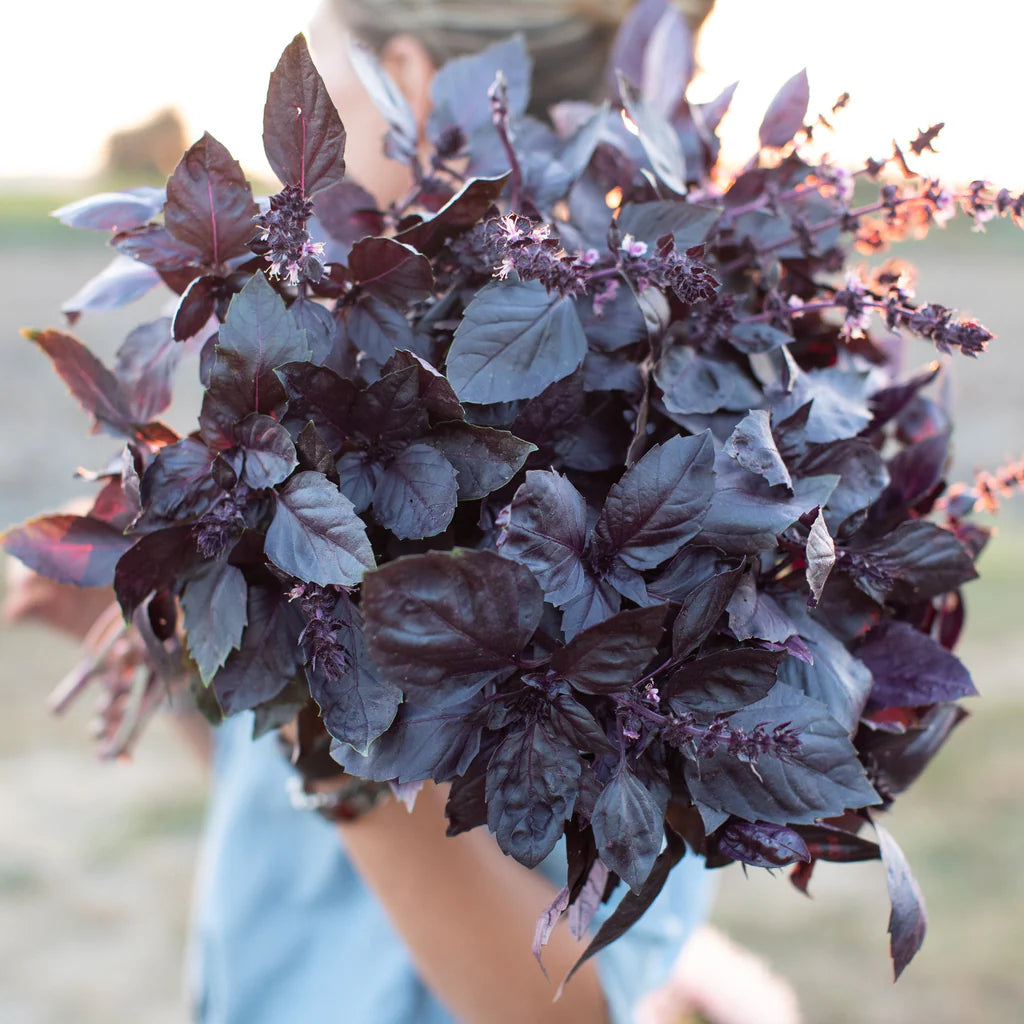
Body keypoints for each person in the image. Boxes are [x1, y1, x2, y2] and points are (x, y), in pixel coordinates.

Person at [6, 2, 803, 1021]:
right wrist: (178, 670)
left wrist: (341, 768)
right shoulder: (335, 405)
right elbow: (294, 812)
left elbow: (568, 1003)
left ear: (406, 85)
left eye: (324, 77)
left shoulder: (636, 466)